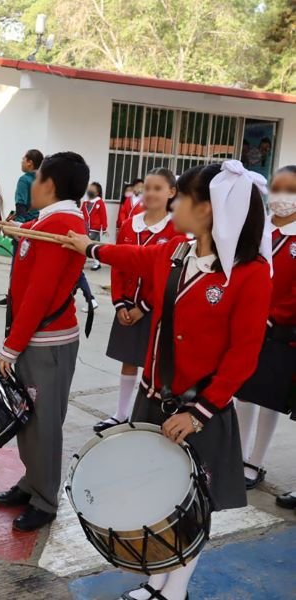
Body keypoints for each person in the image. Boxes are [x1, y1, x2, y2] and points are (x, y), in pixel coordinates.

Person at [62, 160, 272, 600]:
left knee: (193, 502)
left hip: (199, 411)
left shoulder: (250, 273)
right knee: (156, 494)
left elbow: (244, 355)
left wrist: (200, 413)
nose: (173, 203)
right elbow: (133, 256)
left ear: (209, 208)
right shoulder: (177, 251)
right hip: (154, 398)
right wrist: (88, 247)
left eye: (183, 197)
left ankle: (176, 589)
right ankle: (157, 580)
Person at [0, 152, 88, 532]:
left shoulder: (62, 223)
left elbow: (40, 294)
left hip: (48, 340)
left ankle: (45, 499)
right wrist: (19, 233)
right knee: (28, 418)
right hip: (34, 336)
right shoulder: (48, 221)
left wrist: (11, 347)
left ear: (50, 185)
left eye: (37, 177)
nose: (31, 184)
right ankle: (32, 482)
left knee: (44, 423)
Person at [94, 168, 181, 432]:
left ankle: (148, 418)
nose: (151, 193)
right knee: (128, 360)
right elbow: (118, 262)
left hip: (153, 311)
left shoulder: (176, 228)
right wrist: (120, 303)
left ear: (172, 192)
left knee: (153, 365)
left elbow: (170, 275)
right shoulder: (132, 222)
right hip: (126, 308)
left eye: (158, 188)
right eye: (147, 188)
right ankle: (121, 414)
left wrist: (144, 307)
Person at [235, 165, 296, 490]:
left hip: (279, 330)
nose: (281, 196)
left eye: (290, 190)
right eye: (277, 188)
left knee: (269, 396)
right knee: (243, 394)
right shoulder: (258, 230)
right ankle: (239, 452)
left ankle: (255, 460)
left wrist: (272, 316)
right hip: (247, 324)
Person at [0, 149, 43, 307]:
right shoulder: (43, 179)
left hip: (25, 224)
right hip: (39, 223)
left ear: (30, 162)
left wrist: (18, 227)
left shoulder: (25, 179)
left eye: (23, 159)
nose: (22, 161)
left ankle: (13, 296)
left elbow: (21, 203)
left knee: (18, 263)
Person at [82, 182, 108, 270]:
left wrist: (104, 228)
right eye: (90, 188)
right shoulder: (85, 202)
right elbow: (81, 213)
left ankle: (97, 263)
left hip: (95, 228)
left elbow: (103, 215)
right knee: (85, 244)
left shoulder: (99, 202)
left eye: (92, 189)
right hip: (85, 227)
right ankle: (83, 262)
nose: (90, 190)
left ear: (97, 192)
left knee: (93, 244)